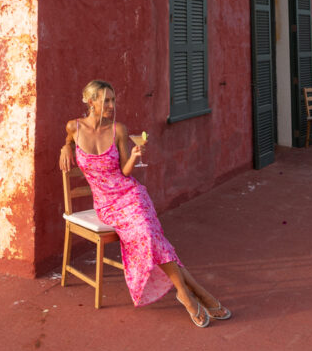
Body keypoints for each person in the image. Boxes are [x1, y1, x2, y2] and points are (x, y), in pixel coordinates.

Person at [59, 79, 231, 327]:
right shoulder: (73, 127)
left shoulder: (119, 130)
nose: (111, 105)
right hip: (107, 205)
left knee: (148, 234)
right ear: (90, 102)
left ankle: (186, 294)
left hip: (131, 195)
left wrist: (136, 155)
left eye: (113, 100)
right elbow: (67, 140)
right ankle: (197, 292)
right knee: (150, 236)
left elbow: (126, 172)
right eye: (106, 100)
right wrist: (65, 148)